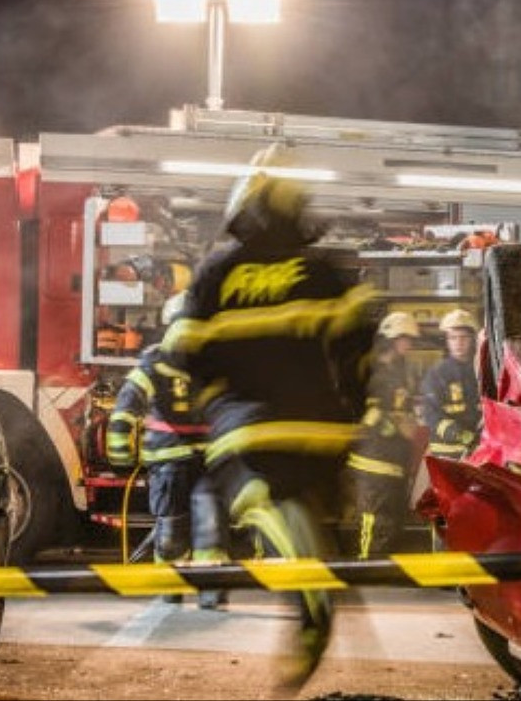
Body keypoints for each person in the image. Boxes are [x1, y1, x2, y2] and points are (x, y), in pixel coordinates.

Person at [161, 144, 376, 688]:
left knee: (249, 493)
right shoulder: (325, 272)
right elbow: (361, 352)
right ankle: (311, 604)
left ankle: (302, 571)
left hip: (251, 429)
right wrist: (354, 413)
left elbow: (182, 350)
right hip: (325, 428)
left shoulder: (217, 272)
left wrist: (214, 395)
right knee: (311, 509)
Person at [106, 292, 210, 601]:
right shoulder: (214, 360)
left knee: (172, 526)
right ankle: (205, 592)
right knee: (205, 525)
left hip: (169, 462)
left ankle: (171, 592)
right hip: (204, 461)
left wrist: (121, 458)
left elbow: (126, 407)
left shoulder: (154, 360)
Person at [346, 310, 420, 560]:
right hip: (373, 459)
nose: (407, 344)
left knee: (392, 517)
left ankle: (385, 565)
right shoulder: (373, 369)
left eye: (410, 339)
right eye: (403, 338)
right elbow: (366, 412)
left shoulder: (402, 372)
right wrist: (395, 426)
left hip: (395, 459)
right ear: (389, 338)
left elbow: (403, 409)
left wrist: (408, 422)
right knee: (373, 516)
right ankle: (367, 564)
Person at [420, 308, 481, 459]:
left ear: (472, 339)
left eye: (463, 338)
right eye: (453, 338)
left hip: (478, 450)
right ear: (447, 341)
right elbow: (429, 412)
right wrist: (455, 433)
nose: (458, 343)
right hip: (445, 452)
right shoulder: (437, 373)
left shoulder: (480, 370)